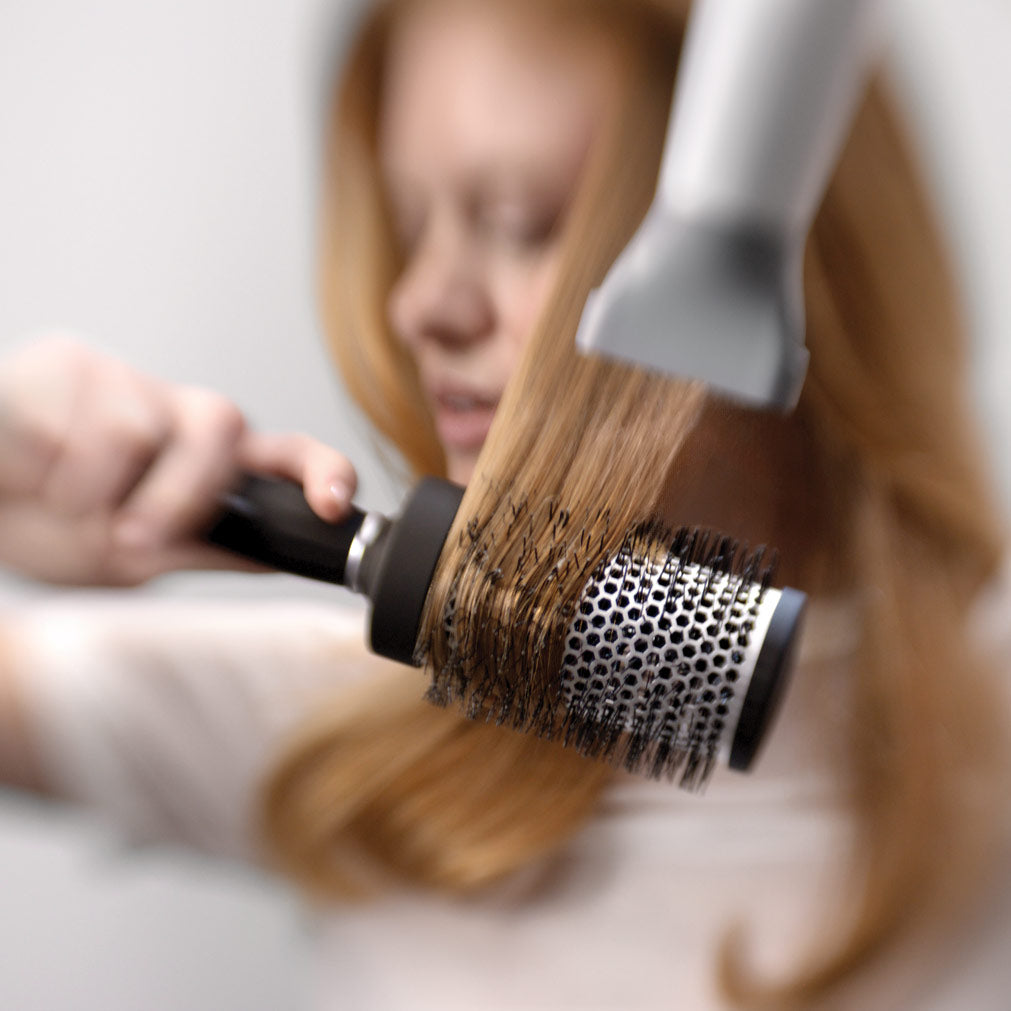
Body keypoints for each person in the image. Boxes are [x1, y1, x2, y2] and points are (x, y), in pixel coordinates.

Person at [1, 0, 1009, 1008]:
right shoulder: (343, 738)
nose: (420, 304)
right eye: (407, 229)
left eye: (517, 221)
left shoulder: (985, 754)